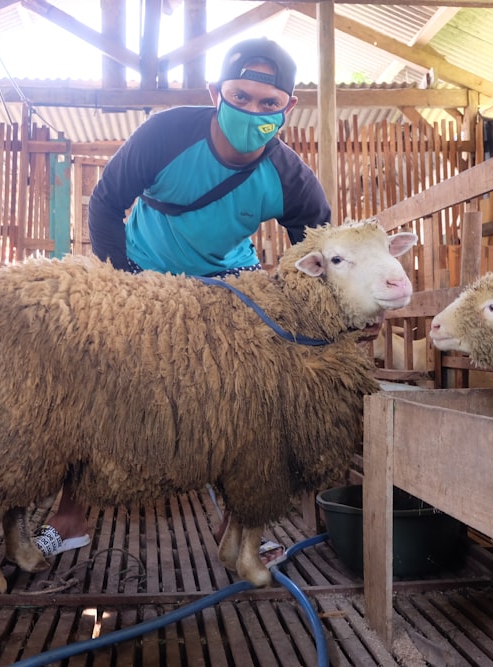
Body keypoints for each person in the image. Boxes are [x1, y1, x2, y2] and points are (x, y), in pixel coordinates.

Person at [33, 37, 332, 559]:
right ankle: (71, 513)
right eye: (240, 96)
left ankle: (240, 525)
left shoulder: (288, 178)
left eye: (268, 103)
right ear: (216, 92)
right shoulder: (166, 135)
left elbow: (326, 253)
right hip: (147, 275)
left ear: (288, 107)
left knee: (251, 394)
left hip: (229, 282)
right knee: (102, 380)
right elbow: (106, 203)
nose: (252, 111)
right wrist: (122, 287)